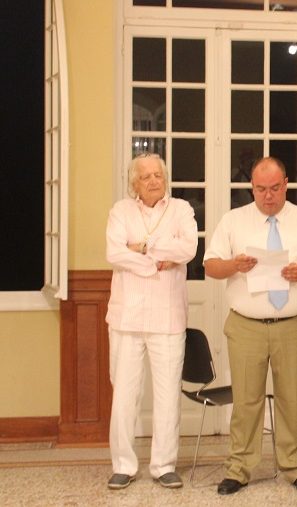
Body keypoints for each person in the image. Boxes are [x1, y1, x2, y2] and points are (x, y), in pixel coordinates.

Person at [204, 156, 297, 496]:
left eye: (275, 188)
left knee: (293, 400)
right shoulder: (234, 220)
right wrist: (234, 265)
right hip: (246, 326)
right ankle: (239, 468)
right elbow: (211, 265)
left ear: (286, 185)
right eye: (261, 189)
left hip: (293, 325)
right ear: (252, 187)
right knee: (246, 401)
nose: (268, 196)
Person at [105, 153, 198, 490]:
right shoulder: (120, 211)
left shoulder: (181, 210)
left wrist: (141, 249)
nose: (154, 181)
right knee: (124, 396)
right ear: (135, 183)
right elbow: (114, 253)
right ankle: (123, 466)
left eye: (158, 175)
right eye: (146, 177)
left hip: (168, 317)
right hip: (126, 317)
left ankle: (164, 465)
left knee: (167, 395)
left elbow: (188, 249)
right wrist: (156, 260)